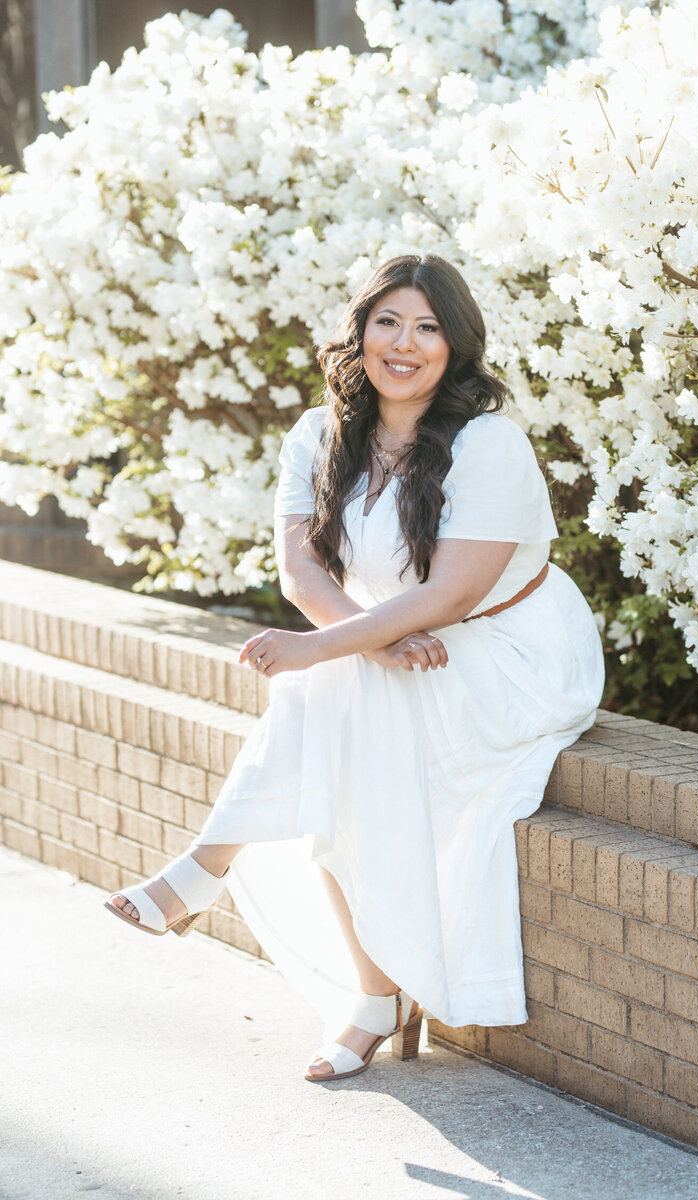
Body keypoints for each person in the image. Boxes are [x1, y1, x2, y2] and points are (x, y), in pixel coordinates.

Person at [104, 253, 605, 1082]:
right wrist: (369, 643)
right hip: (403, 641)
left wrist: (323, 649)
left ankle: (216, 885)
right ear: (359, 332)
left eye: (428, 327)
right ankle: (352, 983)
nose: (404, 344)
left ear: (456, 345)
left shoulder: (489, 444)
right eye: (388, 322)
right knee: (336, 703)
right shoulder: (318, 435)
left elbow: (453, 593)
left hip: (511, 650)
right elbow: (302, 574)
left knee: (322, 690)